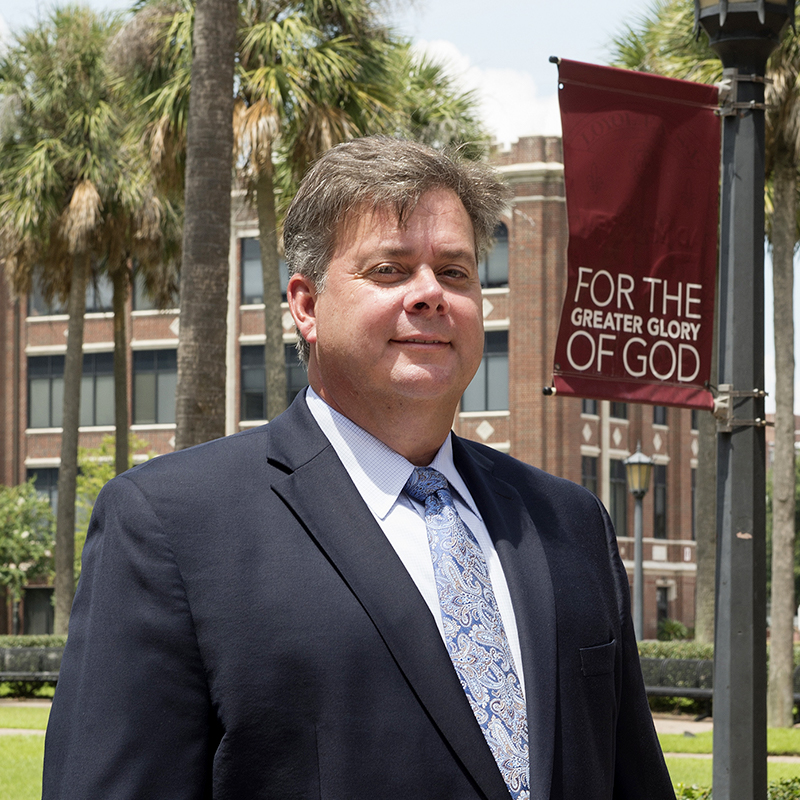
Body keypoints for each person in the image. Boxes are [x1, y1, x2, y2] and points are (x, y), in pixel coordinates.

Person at [42, 136, 675, 800]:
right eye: (390, 270)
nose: (431, 294)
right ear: (306, 305)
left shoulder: (568, 523)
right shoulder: (171, 527)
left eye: (455, 272)